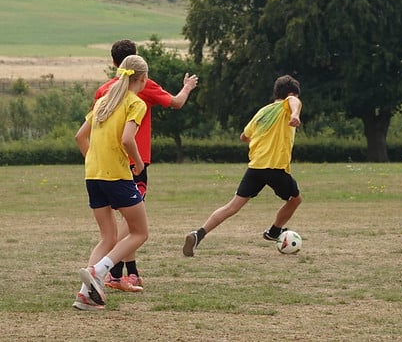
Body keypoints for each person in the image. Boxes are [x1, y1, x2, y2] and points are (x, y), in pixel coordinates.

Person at [95, 39, 198, 291]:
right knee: (133, 223)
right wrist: (187, 88)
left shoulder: (103, 90)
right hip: (133, 163)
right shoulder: (144, 86)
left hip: (103, 163)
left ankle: (131, 273)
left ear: (113, 63)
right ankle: (114, 273)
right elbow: (175, 103)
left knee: (125, 221)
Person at [182, 75, 303, 256]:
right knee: (295, 200)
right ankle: (275, 231)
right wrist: (294, 114)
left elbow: (243, 136)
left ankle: (198, 234)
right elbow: (294, 101)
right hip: (274, 166)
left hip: (255, 167)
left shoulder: (263, 112)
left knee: (232, 206)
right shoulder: (288, 104)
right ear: (290, 94)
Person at [72, 54, 151, 311]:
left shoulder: (103, 101)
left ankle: (85, 295)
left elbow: (80, 137)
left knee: (108, 237)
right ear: (143, 79)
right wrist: (138, 165)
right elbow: (128, 139)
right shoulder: (135, 103)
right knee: (139, 232)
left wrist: (94, 161)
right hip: (116, 175)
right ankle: (99, 271)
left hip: (93, 175)